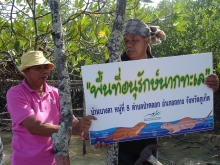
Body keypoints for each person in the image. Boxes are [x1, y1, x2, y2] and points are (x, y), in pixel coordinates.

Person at [95, 18, 219, 165]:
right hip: (119, 145)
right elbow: (100, 102)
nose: (129, 45)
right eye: (126, 41)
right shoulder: (113, 64)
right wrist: (98, 134)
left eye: (134, 40)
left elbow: (182, 92)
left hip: (149, 142)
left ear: (146, 41)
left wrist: (208, 85)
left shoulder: (161, 68)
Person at [6, 51, 96, 165]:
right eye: (38, 68)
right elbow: (34, 126)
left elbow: (70, 120)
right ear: (26, 71)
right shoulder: (15, 94)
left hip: (53, 161)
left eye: (45, 67)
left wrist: (87, 133)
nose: (44, 71)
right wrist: (73, 130)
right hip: (24, 162)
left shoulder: (55, 93)